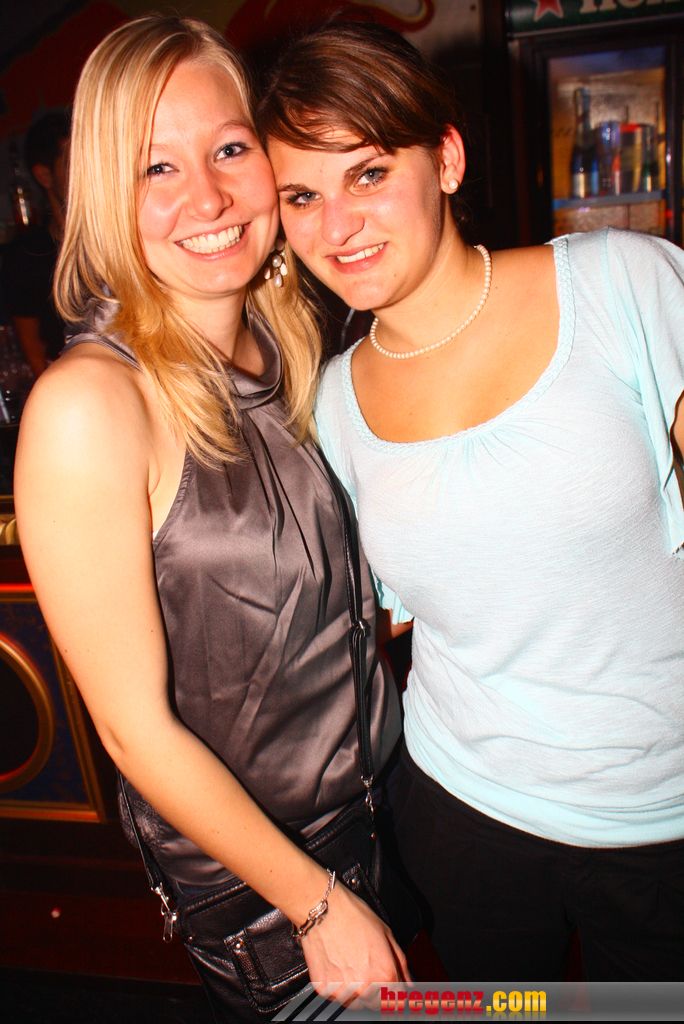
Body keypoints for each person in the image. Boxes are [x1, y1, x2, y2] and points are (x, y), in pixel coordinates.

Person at [258, 20, 684, 982]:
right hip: (463, 814)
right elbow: (385, 626)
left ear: (445, 160)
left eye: (368, 173)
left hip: (662, 817)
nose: (338, 225)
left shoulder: (621, 282)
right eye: (302, 196)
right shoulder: (329, 404)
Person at [13, 16, 408, 1021]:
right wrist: (315, 904)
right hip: (274, 891)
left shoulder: (291, 347)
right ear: (106, 193)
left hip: (384, 815)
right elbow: (131, 728)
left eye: (230, 148)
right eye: (157, 167)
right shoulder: (89, 406)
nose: (209, 196)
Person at [2, 110, 70, 377]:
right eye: (73, 163)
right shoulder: (27, 257)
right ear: (44, 176)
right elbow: (33, 349)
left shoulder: (122, 237)